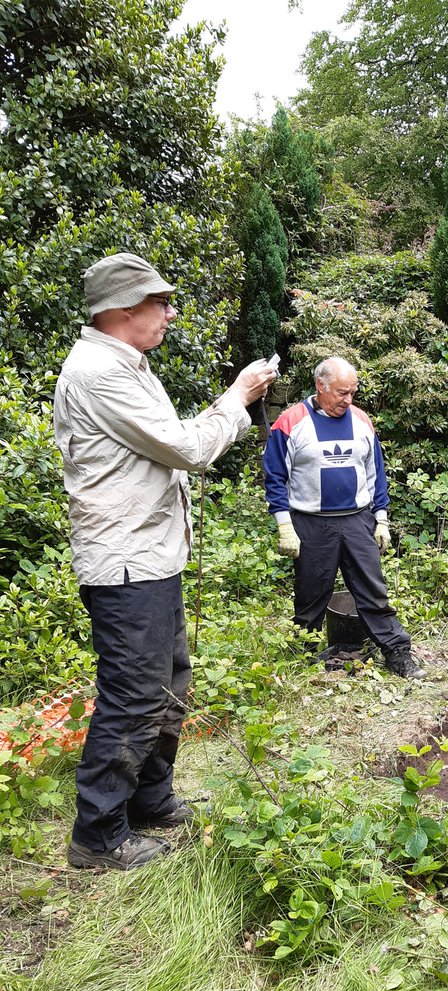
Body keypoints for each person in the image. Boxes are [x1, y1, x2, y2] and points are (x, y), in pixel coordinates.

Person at [54, 251, 277, 871]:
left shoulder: (126, 365)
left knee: (166, 683)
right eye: (161, 302)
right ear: (124, 308)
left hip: (151, 556)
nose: (171, 313)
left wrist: (232, 406)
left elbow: (167, 442)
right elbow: (186, 447)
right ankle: (98, 836)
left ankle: (149, 799)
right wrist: (237, 397)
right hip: (127, 562)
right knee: (134, 694)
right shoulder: (100, 373)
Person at [262, 356, 425, 680]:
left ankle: (398, 654)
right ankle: (303, 658)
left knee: (373, 592)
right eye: (341, 392)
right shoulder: (291, 422)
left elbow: (376, 474)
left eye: (352, 392)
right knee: (310, 596)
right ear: (320, 386)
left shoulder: (361, 421)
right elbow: (275, 477)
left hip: (356, 521)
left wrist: (381, 519)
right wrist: (284, 525)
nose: (348, 399)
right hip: (311, 523)